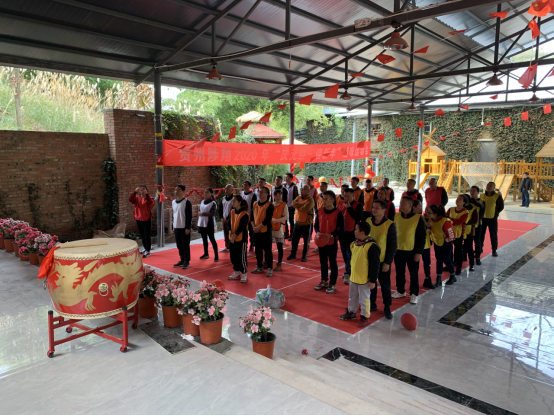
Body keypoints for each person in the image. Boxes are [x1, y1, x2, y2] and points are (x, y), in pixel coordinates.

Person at [339, 222, 381, 328]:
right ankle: (351, 312)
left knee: (364, 299)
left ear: (362, 232)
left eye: (356, 229)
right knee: (352, 297)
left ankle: (364, 316)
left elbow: (375, 265)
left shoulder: (372, 246)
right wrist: (349, 272)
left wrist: (373, 280)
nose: (354, 231)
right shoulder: (354, 244)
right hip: (354, 277)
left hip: (364, 280)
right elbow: (352, 260)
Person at [392, 197, 427, 304]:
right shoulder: (397, 216)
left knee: (414, 274)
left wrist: (419, 252)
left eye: (403, 204)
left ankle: (414, 293)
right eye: (400, 203)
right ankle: (400, 290)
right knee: (399, 272)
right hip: (398, 250)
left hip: (412, 251)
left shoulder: (418, 218)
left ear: (410, 206)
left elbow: (422, 237)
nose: (400, 205)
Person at [366, 200, 397, 319]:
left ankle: (387, 307)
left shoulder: (389, 224)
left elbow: (393, 245)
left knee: (385, 286)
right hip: (368, 260)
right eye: (373, 207)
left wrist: (387, 262)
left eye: (377, 208)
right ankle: (372, 303)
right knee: (370, 283)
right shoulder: (368, 221)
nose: (374, 209)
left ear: (384, 210)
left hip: (382, 261)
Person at [314, 190, 345, 294]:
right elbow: (316, 225)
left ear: (332, 200)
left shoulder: (338, 213)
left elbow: (342, 229)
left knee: (332, 263)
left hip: (331, 242)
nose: (324, 201)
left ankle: (332, 283)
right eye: (323, 198)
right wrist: (318, 232)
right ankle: (324, 281)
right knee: (323, 262)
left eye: (326, 199)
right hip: (321, 242)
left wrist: (331, 235)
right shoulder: (320, 211)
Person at [426, 204, 456, 287]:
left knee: (446, 259)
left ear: (436, 214)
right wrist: (428, 227)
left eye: (429, 212)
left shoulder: (445, 221)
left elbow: (452, 236)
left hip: (446, 242)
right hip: (437, 242)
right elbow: (430, 231)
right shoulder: (430, 219)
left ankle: (452, 276)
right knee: (439, 260)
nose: (427, 213)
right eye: (427, 211)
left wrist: (445, 240)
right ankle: (438, 278)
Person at [337, 188, 363, 285]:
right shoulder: (341, 204)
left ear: (353, 196)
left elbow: (358, 217)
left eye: (348, 196)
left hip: (352, 234)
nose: (346, 198)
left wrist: (349, 208)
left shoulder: (358, 205)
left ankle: (348, 272)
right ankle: (349, 270)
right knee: (344, 253)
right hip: (342, 233)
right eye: (345, 196)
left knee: (349, 254)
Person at [251, 187, 274, 277]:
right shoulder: (255, 204)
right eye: (259, 192)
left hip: (265, 231)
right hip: (256, 231)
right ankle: (259, 266)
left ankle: (269, 268)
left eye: (262, 192)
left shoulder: (269, 205)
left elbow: (267, 220)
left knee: (267, 250)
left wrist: (258, 227)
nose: (260, 193)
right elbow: (252, 217)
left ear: (267, 194)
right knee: (258, 250)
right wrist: (254, 227)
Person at [288, 184, 315, 261]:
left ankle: (304, 256)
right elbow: (293, 204)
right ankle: (293, 254)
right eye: (301, 189)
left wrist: (298, 206)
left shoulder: (311, 200)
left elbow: (305, 209)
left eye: (303, 189)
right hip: (297, 222)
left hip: (306, 223)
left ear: (308, 191)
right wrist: (302, 205)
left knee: (306, 241)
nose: (301, 190)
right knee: (294, 240)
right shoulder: (298, 197)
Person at [228, 195, 250, 283]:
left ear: (239, 202)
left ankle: (244, 273)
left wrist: (234, 235)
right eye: (232, 201)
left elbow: (241, 227)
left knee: (241, 256)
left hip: (241, 238)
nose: (232, 203)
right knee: (233, 256)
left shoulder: (244, 214)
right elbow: (229, 223)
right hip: (232, 237)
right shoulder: (232, 211)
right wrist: (230, 233)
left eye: (234, 201)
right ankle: (236, 271)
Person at [129, 185, 154, 258]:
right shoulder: (137, 198)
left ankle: (148, 250)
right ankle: (145, 247)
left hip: (147, 219)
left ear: (146, 190)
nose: (142, 191)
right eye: (141, 189)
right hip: (138, 218)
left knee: (147, 235)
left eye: (144, 189)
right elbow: (130, 199)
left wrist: (146, 195)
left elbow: (150, 203)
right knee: (142, 235)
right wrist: (134, 192)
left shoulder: (150, 198)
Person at [480, 181, 504, 257]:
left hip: (492, 219)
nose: (488, 187)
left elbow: (501, 207)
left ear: (494, 187)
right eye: (487, 185)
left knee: (493, 235)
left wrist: (495, 213)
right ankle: (480, 248)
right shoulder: (482, 195)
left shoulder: (497, 196)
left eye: (490, 186)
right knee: (481, 234)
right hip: (483, 218)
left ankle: (494, 250)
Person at [447, 195, 469, 277]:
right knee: (449, 250)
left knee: (458, 251)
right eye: (457, 198)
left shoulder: (465, 212)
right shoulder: (451, 209)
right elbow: (445, 219)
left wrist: (450, 219)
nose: (457, 200)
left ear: (464, 202)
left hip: (458, 233)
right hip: (449, 232)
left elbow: (459, 221)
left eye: (460, 199)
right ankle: (450, 265)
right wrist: (451, 220)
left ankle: (459, 267)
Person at [413, 199, 432, 288]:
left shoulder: (423, 217)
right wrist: (425, 226)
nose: (421, 208)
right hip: (416, 245)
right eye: (419, 206)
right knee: (415, 265)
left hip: (426, 244)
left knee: (427, 263)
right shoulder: (412, 219)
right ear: (413, 207)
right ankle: (414, 282)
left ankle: (428, 279)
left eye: (421, 206)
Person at [172, 185, 192, 269]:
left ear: (183, 191)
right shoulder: (173, 202)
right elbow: (174, 215)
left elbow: (189, 216)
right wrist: (173, 226)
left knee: (185, 244)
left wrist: (188, 227)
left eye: (178, 190)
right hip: (177, 226)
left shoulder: (186, 202)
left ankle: (186, 261)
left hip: (184, 227)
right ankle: (182, 259)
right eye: (175, 190)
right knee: (179, 245)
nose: (176, 191)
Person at [198, 188, 219, 262]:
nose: (205, 193)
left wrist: (203, 213)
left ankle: (216, 256)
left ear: (211, 193)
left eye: (207, 192)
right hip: (202, 223)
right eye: (205, 192)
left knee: (212, 239)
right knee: (204, 239)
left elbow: (212, 213)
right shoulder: (202, 201)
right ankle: (206, 253)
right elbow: (200, 210)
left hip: (209, 223)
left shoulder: (213, 203)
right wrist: (201, 213)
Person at [271, 189, 289, 272]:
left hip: (279, 227)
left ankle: (279, 263)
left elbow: (287, 216)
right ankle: (267, 262)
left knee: (279, 247)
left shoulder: (284, 205)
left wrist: (277, 220)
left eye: (280, 195)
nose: (278, 197)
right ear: (274, 196)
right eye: (276, 195)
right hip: (271, 227)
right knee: (268, 247)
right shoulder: (271, 204)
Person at [463, 193, 480, 272]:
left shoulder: (473, 209)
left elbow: (475, 220)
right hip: (459, 230)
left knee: (469, 246)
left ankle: (472, 264)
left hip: (469, 231)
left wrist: (464, 223)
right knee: (458, 247)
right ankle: (458, 261)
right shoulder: (459, 208)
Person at [469, 186, 484, 265]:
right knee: (468, 242)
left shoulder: (482, 201)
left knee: (477, 242)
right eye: (471, 191)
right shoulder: (467, 200)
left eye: (474, 191)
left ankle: (477, 256)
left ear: (478, 192)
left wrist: (474, 201)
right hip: (468, 225)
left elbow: (481, 215)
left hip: (477, 225)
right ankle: (466, 256)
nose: (472, 192)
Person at [240, 181, 257, 252]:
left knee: (251, 231)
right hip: (242, 215)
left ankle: (252, 244)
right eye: (244, 185)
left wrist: (251, 215)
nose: (244, 186)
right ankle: (245, 244)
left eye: (246, 185)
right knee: (244, 231)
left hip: (250, 215)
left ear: (249, 186)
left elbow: (254, 206)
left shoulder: (253, 195)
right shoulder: (241, 194)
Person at [218, 184, 234, 254]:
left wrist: (227, 218)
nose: (226, 190)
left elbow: (233, 209)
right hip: (224, 219)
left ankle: (232, 247)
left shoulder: (234, 199)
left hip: (231, 220)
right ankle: (227, 246)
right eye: (225, 188)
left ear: (232, 190)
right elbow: (220, 209)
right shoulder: (223, 198)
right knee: (226, 233)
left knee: (231, 233)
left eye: (228, 189)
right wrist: (221, 218)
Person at [284, 173, 299, 241]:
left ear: (291, 178)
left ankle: (292, 234)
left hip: (291, 207)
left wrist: (294, 206)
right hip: (284, 206)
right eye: (285, 177)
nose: (286, 178)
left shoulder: (294, 187)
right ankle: (286, 233)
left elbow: (296, 197)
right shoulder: (284, 186)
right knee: (284, 221)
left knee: (291, 221)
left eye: (287, 177)